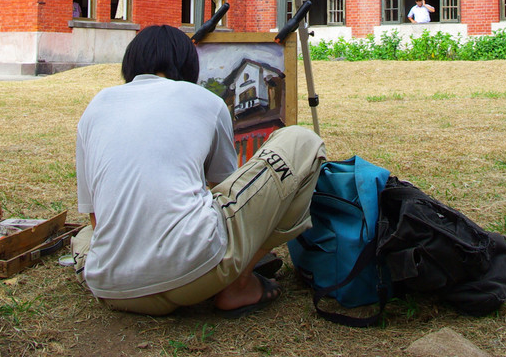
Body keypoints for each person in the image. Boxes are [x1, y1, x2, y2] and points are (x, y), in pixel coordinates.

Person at [75, 25, 326, 317]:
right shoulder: (207, 101)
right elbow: (226, 188)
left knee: (83, 237)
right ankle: (238, 284)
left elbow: (95, 217)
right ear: (189, 66)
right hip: (196, 275)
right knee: (302, 141)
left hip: (111, 287)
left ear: (129, 64)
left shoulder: (95, 107)